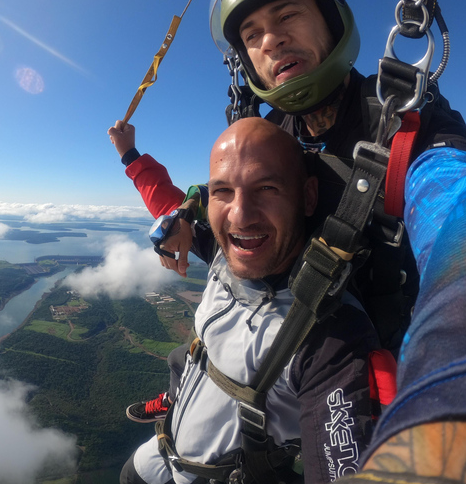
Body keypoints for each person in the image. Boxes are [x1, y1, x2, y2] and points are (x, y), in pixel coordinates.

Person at [109, 0, 466, 480]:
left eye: (288, 16)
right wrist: (149, 177)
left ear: (332, 26)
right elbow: (207, 204)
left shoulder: (405, 128)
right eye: (252, 35)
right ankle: (195, 387)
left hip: (335, 358)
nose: (270, 40)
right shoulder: (270, 138)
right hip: (257, 338)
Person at [121, 117, 386, 484]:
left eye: (266, 188)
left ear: (307, 196)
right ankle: (174, 394)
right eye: (223, 191)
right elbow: (166, 202)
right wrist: (130, 155)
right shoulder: (223, 250)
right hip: (167, 445)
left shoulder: (330, 337)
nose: (240, 215)